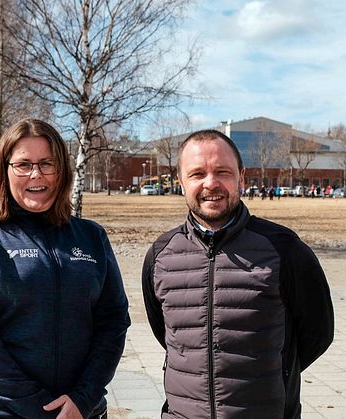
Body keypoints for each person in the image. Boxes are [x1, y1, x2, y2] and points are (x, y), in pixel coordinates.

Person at [0, 119, 130, 419]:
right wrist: (40, 408)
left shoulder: (91, 236)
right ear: (5, 170)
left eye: (46, 163)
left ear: (62, 170)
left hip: (79, 411)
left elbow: (113, 320)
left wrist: (84, 398)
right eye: (23, 164)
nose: (36, 174)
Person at [142, 129, 334, 418]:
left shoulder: (285, 249)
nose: (211, 183)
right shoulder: (161, 255)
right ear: (180, 181)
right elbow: (166, 334)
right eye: (197, 174)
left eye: (222, 171)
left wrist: (276, 373)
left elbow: (318, 333)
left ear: (241, 177)